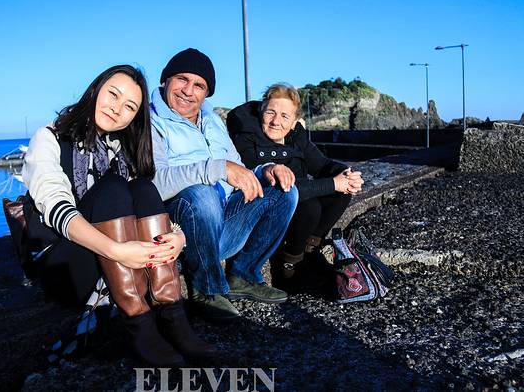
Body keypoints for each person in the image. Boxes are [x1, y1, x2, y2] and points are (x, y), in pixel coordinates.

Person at [22, 64, 215, 366]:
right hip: (65, 264)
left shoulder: (121, 148)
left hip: (116, 260)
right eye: (113, 94)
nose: (117, 109)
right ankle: (137, 321)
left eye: (129, 107)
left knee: (141, 186)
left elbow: (148, 203)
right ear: (96, 90)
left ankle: (171, 315)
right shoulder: (49, 137)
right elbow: (56, 207)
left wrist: (178, 236)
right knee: (113, 186)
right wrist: (118, 251)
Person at [149, 49, 299, 323]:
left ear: (206, 93)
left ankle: (243, 274)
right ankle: (206, 288)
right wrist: (216, 169)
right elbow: (155, 183)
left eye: (199, 85)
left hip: (223, 225)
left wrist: (266, 169)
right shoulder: (150, 121)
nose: (188, 91)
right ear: (165, 80)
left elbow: (237, 167)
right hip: (184, 232)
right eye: (182, 79)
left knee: (284, 190)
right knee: (202, 194)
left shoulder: (213, 120)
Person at [227, 83, 365, 293]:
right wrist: (333, 183)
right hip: (263, 210)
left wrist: (347, 174)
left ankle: (309, 252)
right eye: (270, 112)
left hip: (295, 209)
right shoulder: (246, 137)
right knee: (310, 206)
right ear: (261, 111)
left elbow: (322, 165)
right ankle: (287, 265)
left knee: (341, 194)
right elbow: (282, 187)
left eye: (284, 116)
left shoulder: (295, 137)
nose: (276, 121)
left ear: (294, 122)